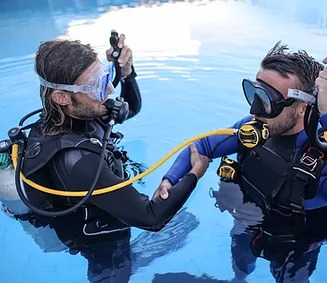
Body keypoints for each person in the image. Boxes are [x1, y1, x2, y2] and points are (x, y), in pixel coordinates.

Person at [154, 42, 327, 282]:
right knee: (241, 266)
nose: (254, 110)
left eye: (266, 99)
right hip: (247, 226)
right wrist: (170, 180)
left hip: (296, 248)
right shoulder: (252, 129)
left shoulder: (325, 161)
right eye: (254, 93)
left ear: (302, 106)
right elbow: (201, 145)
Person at [4, 35, 210, 283]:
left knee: (186, 223)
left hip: (103, 206)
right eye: (95, 84)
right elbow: (151, 218)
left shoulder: (77, 113)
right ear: (61, 97)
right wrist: (195, 173)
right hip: (102, 243)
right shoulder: (77, 162)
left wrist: (127, 73)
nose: (110, 89)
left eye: (103, 76)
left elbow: (130, 108)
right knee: (117, 267)